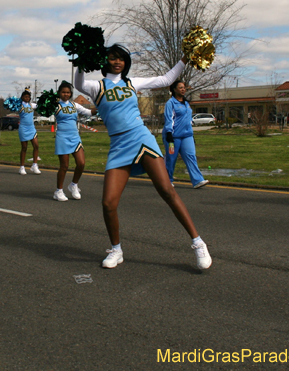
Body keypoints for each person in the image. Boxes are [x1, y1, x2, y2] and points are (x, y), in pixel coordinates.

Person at [74, 44, 211, 270]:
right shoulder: (95, 86)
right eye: (112, 58)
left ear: (126, 62)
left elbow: (166, 79)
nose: (117, 62)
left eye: (121, 58)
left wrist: (185, 59)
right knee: (108, 202)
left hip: (141, 139)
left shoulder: (132, 82)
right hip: (118, 145)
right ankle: (116, 249)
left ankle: (198, 243)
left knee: (167, 191)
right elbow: (78, 83)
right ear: (106, 60)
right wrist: (81, 57)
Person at [162, 81, 210, 189]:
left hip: (187, 136)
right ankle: (167, 181)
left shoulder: (186, 103)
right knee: (171, 158)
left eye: (184, 88)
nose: (183, 89)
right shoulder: (171, 103)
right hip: (173, 137)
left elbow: (188, 120)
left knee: (191, 156)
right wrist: (169, 133)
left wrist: (191, 134)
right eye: (180, 88)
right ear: (174, 89)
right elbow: (169, 118)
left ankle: (197, 180)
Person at [52, 81, 94, 201]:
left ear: (71, 93)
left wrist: (103, 106)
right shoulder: (56, 105)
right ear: (59, 93)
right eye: (63, 92)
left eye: (68, 92)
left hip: (75, 138)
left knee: (81, 163)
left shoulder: (74, 105)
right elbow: (41, 108)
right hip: (62, 138)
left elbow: (89, 112)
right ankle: (58, 191)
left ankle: (73, 185)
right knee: (64, 166)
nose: (66, 94)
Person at [18, 90, 41, 175]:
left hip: (32, 128)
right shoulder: (20, 105)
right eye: (25, 96)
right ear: (22, 97)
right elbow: (9, 105)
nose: (27, 98)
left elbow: (40, 105)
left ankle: (34, 165)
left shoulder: (32, 105)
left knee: (36, 146)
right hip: (23, 128)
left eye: (28, 97)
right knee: (24, 148)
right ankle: (22, 167)